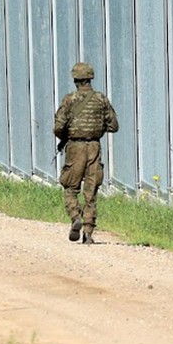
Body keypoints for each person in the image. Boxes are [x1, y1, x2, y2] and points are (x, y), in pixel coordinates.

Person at [53, 62, 119, 245]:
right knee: (91, 191)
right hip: (94, 148)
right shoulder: (101, 99)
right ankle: (88, 234)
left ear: (75, 80)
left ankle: (75, 217)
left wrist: (65, 137)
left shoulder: (69, 100)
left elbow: (58, 126)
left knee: (70, 187)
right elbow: (114, 125)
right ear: (90, 78)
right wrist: (96, 130)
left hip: (75, 148)